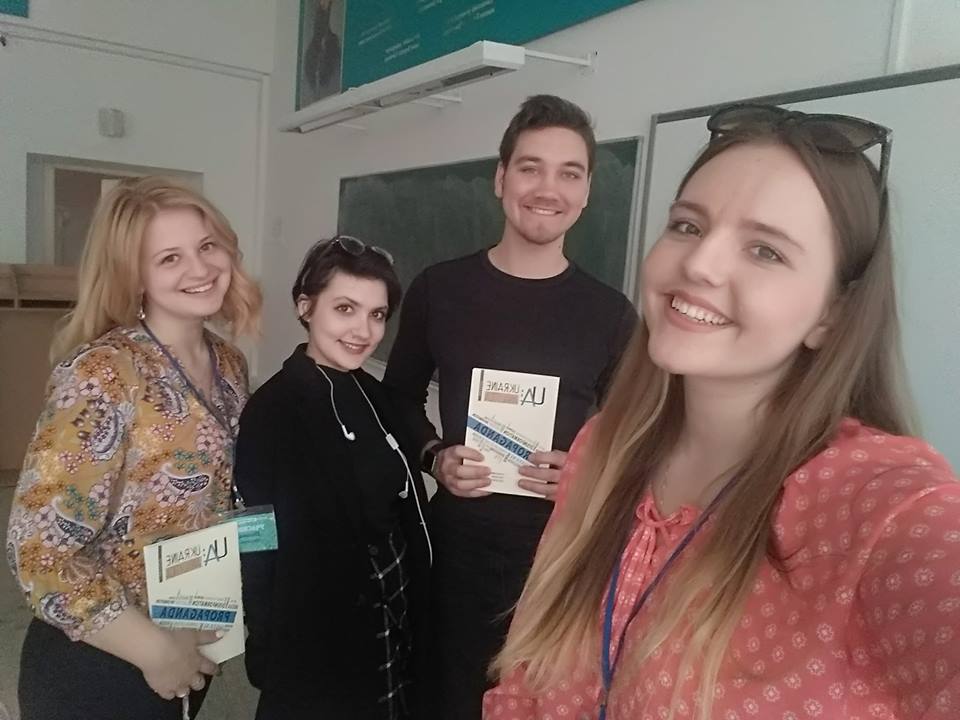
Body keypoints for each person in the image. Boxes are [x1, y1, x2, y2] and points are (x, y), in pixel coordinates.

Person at [484, 104, 960, 719]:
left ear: (832, 314)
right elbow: (525, 679)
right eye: (687, 225)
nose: (699, 264)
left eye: (765, 251)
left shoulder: (877, 506)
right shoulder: (602, 448)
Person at [382, 94, 636, 719]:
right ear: (501, 179)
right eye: (530, 167)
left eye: (569, 172)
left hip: (559, 559)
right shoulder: (441, 289)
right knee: (443, 701)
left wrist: (586, 470)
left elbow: (636, 435)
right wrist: (434, 455)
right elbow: (397, 398)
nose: (548, 188)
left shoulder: (610, 314)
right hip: (454, 552)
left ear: (586, 191)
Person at [6, 176, 261, 720]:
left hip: (190, 625)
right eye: (170, 258)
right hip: (102, 656)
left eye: (207, 246)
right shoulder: (103, 374)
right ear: (133, 275)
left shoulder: (229, 363)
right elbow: (38, 553)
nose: (200, 268)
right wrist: (155, 651)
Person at [235, 236, 432, 720]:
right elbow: (253, 537)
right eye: (345, 309)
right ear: (306, 307)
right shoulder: (272, 410)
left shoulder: (372, 392)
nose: (363, 331)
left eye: (377, 315)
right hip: (318, 637)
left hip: (393, 614)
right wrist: (266, 648)